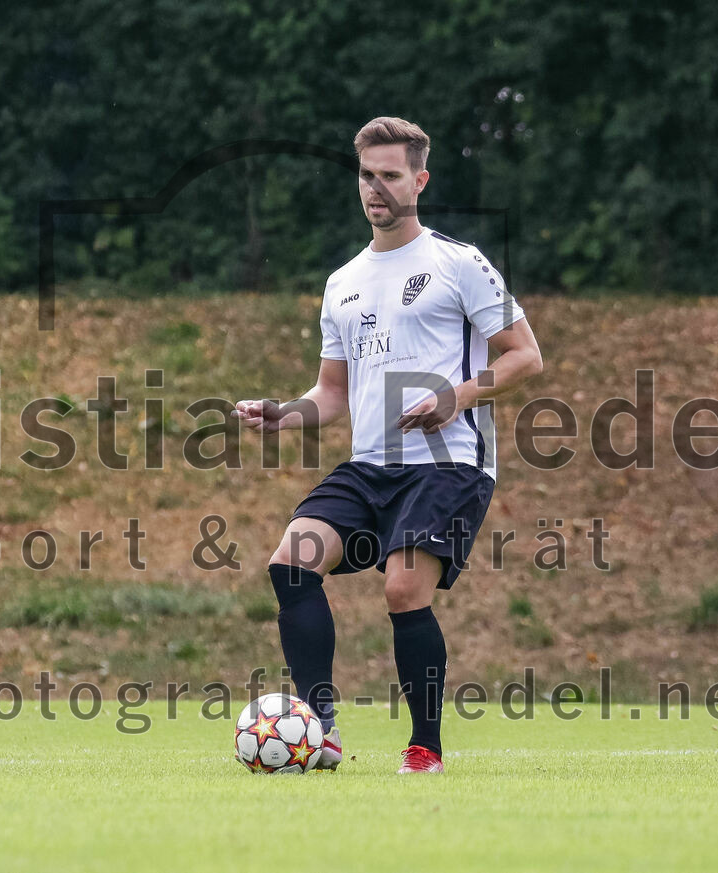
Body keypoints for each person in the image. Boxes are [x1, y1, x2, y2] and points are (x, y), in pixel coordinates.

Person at [233, 116, 543, 774]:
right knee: (292, 562)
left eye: (390, 175)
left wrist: (455, 396)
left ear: (419, 180)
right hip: (371, 465)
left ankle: (425, 746)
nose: (375, 187)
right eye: (366, 175)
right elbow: (331, 394)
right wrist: (284, 412)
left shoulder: (458, 263)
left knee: (403, 589)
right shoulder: (342, 281)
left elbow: (525, 357)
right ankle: (321, 728)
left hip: (448, 461)